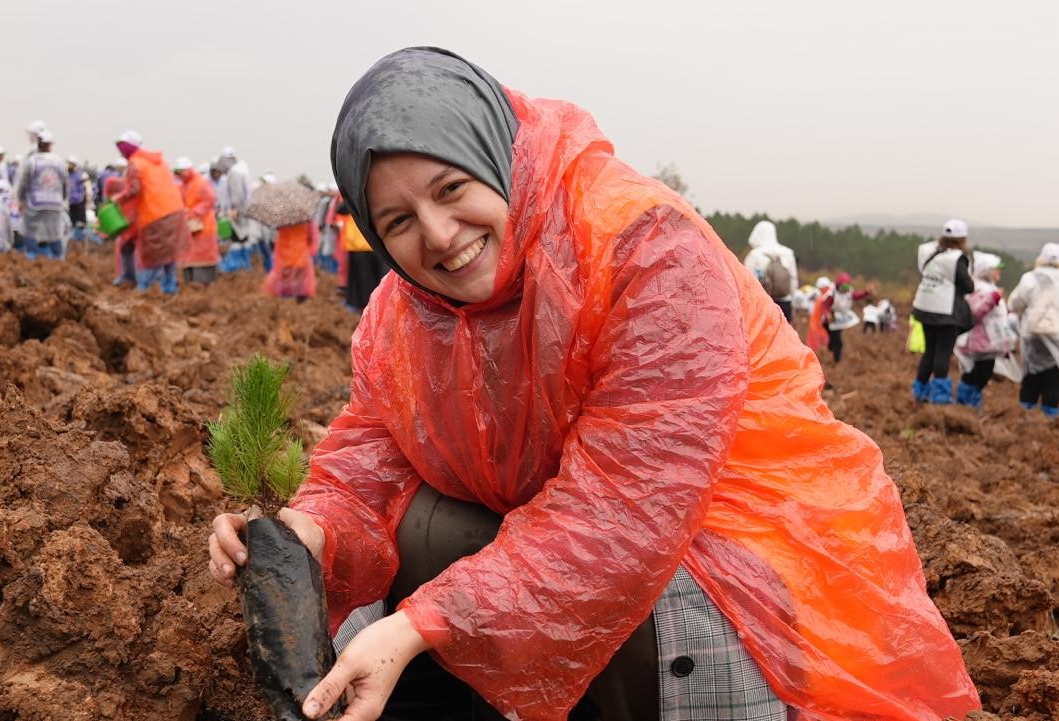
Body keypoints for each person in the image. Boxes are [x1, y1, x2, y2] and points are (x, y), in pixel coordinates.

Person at [207, 47, 977, 721]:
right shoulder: (401, 313)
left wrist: (424, 622)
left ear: (497, 155)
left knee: (679, 602)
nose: (437, 236)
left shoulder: (642, 250)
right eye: (399, 220)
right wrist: (311, 530)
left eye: (450, 190)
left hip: (733, 538)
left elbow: (629, 509)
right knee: (415, 521)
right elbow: (369, 456)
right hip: (574, 521)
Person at [1007, 242, 1059, 417]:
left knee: (1031, 374)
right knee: (1054, 377)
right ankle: (1049, 416)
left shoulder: (1029, 278)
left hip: (1033, 335)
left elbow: (1014, 303)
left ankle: (1025, 414)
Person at [110, 130, 186, 294]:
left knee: (154, 254)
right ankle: (170, 287)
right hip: (174, 210)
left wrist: (118, 198)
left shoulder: (136, 163)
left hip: (155, 214)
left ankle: (144, 288)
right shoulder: (158, 162)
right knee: (168, 253)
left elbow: (134, 189)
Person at [910, 219, 975, 403]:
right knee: (943, 353)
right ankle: (939, 396)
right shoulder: (956, 258)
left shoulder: (929, 251)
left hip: (924, 307)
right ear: (962, 239)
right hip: (945, 312)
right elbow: (968, 286)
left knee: (929, 351)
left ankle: (919, 391)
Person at [954, 252, 1015, 409]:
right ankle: (965, 402)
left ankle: (972, 403)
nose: (999, 272)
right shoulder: (979, 289)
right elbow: (974, 312)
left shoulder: (988, 288)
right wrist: (993, 298)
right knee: (978, 374)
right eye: (996, 269)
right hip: (980, 340)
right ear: (987, 270)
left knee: (984, 373)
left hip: (989, 341)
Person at [14, 130, 69, 259]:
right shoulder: (59, 162)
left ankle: (32, 257)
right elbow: (65, 184)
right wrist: (64, 199)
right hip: (54, 203)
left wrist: (21, 200)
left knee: (31, 231)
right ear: (50, 145)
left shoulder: (32, 161)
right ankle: (58, 257)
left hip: (35, 203)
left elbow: (23, 183)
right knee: (54, 232)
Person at [171, 156, 220, 284]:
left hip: (204, 225)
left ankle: (203, 282)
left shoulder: (200, 183)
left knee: (203, 256)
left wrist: (194, 212)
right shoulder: (182, 186)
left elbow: (210, 200)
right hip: (189, 226)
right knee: (189, 256)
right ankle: (191, 281)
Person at [742, 219, 798, 322]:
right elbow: (793, 280)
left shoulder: (754, 255)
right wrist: (792, 302)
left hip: (762, 304)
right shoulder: (787, 253)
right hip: (785, 303)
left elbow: (746, 283)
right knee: (783, 336)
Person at [216, 146, 254, 271]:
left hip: (236, 213)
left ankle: (234, 268)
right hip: (242, 213)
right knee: (242, 241)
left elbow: (237, 194)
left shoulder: (234, 172)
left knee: (236, 241)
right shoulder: (241, 170)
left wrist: (235, 210)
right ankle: (245, 268)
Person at [822, 272, 870, 365]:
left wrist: (866, 292)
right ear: (838, 286)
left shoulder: (849, 292)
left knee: (836, 339)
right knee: (837, 341)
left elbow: (857, 296)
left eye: (847, 288)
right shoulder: (832, 294)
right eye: (843, 288)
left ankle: (835, 354)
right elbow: (825, 306)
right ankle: (836, 359)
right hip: (830, 320)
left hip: (839, 320)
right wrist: (827, 314)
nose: (845, 290)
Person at [66, 156, 89, 241]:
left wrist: (87, 200)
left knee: (81, 222)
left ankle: (82, 239)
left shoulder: (81, 175)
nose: (68, 165)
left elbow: (87, 189)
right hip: (71, 202)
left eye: (69, 164)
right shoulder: (67, 175)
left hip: (79, 201)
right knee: (73, 222)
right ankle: (75, 241)